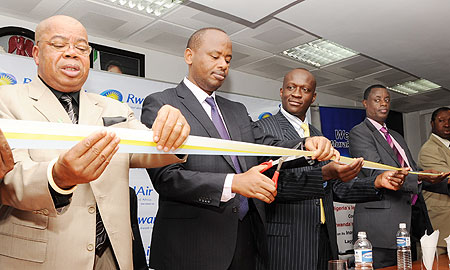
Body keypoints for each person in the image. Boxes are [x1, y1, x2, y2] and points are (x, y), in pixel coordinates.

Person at [0, 15, 190, 270]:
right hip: (42, 257)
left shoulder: (115, 107)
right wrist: (58, 177)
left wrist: (173, 133)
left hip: (112, 255)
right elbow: (9, 180)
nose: (72, 53)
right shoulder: (6, 99)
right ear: (35, 53)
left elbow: (149, 149)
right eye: (59, 45)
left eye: (81, 48)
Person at [140, 28, 336, 270]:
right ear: (189, 56)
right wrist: (233, 183)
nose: (223, 65)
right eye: (215, 56)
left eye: (228, 59)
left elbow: (267, 147)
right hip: (191, 247)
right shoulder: (162, 103)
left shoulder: (237, 111)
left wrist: (305, 147)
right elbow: (166, 178)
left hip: (246, 243)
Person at [254, 68, 408, 270]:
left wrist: (376, 182)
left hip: (324, 238)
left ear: (313, 96)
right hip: (287, 241)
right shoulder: (263, 129)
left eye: (305, 89)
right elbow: (270, 186)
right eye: (291, 87)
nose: (297, 94)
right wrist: (324, 174)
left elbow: (336, 188)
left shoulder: (318, 134)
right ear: (281, 91)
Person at [349, 85, 450, 268]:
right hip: (380, 228)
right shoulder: (359, 132)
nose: (383, 104)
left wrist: (441, 181)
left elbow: (412, 171)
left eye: (387, 99)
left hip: (409, 224)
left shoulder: (396, 136)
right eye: (377, 99)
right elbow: (377, 173)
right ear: (365, 103)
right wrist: (421, 177)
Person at [418, 107, 450, 255]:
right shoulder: (430, 149)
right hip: (441, 228)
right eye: (441, 120)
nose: (447, 124)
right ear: (432, 124)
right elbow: (446, 181)